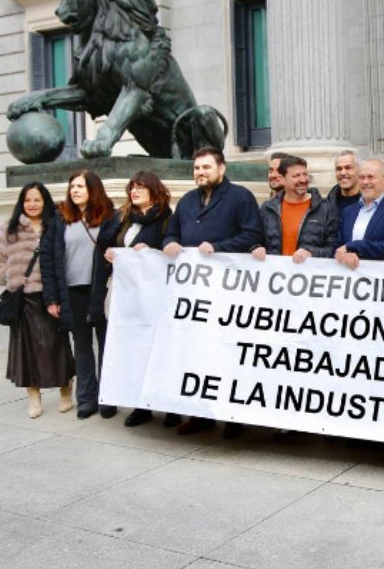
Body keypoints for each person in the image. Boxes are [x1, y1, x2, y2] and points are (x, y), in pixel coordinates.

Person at [164, 147, 265, 437]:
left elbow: (252, 235)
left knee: (228, 354)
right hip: (194, 295)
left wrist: (218, 248)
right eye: (197, 168)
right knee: (197, 354)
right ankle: (200, 414)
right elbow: (172, 232)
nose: (200, 173)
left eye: (206, 167)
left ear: (221, 169)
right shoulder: (186, 201)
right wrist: (170, 242)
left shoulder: (240, 197)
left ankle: (233, 417)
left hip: (228, 293)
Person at [90, 171, 179, 429]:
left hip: (154, 298)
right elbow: (103, 246)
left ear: (154, 190)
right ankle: (141, 406)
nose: (134, 192)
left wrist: (153, 252)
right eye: (132, 187)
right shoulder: (122, 218)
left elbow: (174, 250)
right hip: (127, 296)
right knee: (135, 349)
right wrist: (108, 253)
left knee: (158, 350)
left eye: (140, 187)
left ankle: (168, 408)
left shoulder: (166, 219)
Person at [0, 183, 75, 419]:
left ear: (45, 201)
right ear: (21, 203)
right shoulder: (10, 229)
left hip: (51, 296)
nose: (32, 204)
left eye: (37, 199)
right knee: (27, 352)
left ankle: (66, 388)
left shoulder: (55, 225)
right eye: (27, 200)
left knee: (57, 346)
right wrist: (10, 276)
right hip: (24, 300)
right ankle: (33, 396)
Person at [41, 169, 114, 420]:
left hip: (102, 292)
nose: (75, 190)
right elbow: (48, 260)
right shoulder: (60, 218)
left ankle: (107, 398)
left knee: (106, 345)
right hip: (72, 292)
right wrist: (51, 298)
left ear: (93, 189)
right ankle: (86, 400)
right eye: (72, 186)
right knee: (82, 347)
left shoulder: (110, 217)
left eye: (80, 186)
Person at [253, 153, 340, 262]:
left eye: (305, 174)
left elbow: (334, 248)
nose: (303, 180)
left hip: (309, 276)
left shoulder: (326, 209)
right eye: (296, 176)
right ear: (282, 179)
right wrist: (256, 247)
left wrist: (311, 252)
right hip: (275, 275)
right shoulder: (267, 208)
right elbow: (254, 238)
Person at [335, 159, 384, 267]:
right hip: (350, 278)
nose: (365, 182)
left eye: (370, 177)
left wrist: (355, 247)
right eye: (362, 177)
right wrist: (345, 255)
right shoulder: (348, 211)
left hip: (382, 279)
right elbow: (338, 245)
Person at [326, 149, 363, 217]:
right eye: (339, 169)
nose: (343, 173)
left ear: (359, 170)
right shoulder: (327, 207)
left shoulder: (371, 204)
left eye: (348, 168)